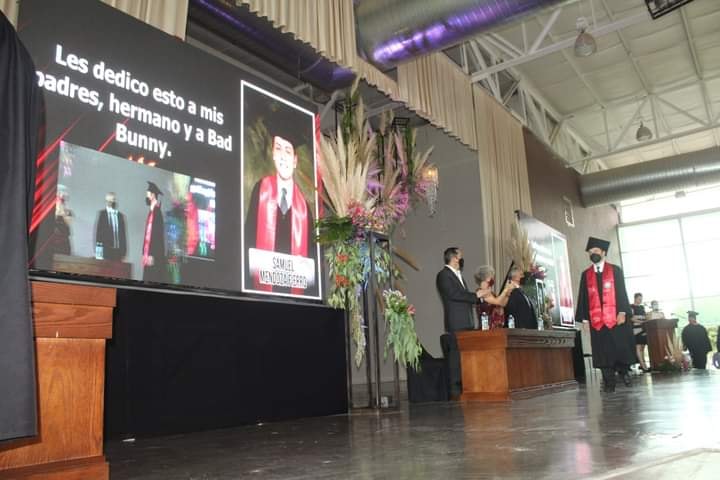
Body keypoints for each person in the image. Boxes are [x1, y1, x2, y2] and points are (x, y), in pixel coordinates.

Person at [244, 134, 316, 295]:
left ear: (295, 160)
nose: (283, 156)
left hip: (293, 297)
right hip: (261, 293)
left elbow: (310, 261)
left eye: (288, 151)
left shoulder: (304, 208)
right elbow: (248, 240)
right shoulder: (260, 191)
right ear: (273, 155)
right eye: (278, 149)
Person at [576, 237, 635, 393]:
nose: (592, 254)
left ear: (603, 252)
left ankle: (624, 372)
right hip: (597, 321)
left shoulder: (615, 270)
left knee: (619, 347)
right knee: (602, 352)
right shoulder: (586, 274)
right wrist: (584, 320)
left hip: (615, 318)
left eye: (595, 251)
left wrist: (623, 312)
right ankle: (609, 382)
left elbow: (622, 292)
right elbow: (583, 297)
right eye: (590, 252)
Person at [436, 247, 486, 398]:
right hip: (456, 322)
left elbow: (464, 296)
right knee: (455, 358)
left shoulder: (459, 276)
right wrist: (475, 295)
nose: (462, 259)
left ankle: (466, 387)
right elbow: (453, 294)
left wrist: (478, 296)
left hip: (466, 321)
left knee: (465, 357)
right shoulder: (443, 275)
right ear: (455, 258)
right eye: (461, 256)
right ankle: (455, 390)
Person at [474, 265, 515, 329]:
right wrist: (505, 290)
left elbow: (503, 303)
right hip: (487, 329)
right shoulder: (481, 292)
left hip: (497, 328)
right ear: (486, 277)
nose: (493, 278)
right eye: (491, 275)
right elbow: (497, 302)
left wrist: (507, 293)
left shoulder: (491, 293)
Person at [142, 181, 166, 283]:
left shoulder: (157, 212)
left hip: (154, 255)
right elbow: (147, 234)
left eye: (147, 195)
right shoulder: (152, 212)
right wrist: (144, 252)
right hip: (148, 253)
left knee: (151, 279)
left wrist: (152, 254)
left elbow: (157, 235)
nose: (146, 198)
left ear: (153, 195)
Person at [95, 192, 127, 261]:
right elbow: (98, 235)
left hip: (118, 252)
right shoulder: (102, 215)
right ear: (106, 201)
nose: (112, 202)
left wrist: (124, 253)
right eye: (110, 200)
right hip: (106, 252)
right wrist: (98, 254)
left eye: (113, 200)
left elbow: (123, 235)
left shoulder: (120, 216)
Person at [504, 265, 537, 329]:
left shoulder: (521, 291)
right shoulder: (510, 291)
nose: (523, 277)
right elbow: (511, 312)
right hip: (519, 331)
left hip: (528, 331)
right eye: (521, 275)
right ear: (514, 277)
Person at [630, 292, 650, 372]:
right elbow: (631, 318)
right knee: (638, 347)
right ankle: (643, 365)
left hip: (643, 328)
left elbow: (645, 316)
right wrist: (640, 321)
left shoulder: (642, 307)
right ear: (635, 298)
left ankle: (643, 365)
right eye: (639, 299)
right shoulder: (631, 307)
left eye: (641, 299)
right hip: (636, 329)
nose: (640, 300)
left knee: (642, 347)